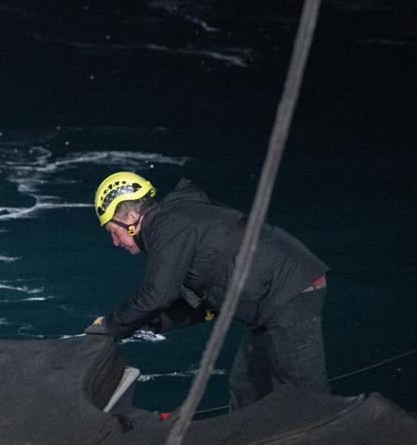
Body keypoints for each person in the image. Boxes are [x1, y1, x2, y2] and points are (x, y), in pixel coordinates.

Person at [85, 172, 329, 410]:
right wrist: (152, 321)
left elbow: (156, 295)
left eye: (112, 232)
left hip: (290, 292)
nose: (115, 242)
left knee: (305, 398)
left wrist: (109, 326)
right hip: (272, 300)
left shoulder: (169, 226)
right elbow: (201, 297)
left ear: (130, 217)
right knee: (247, 387)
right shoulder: (174, 223)